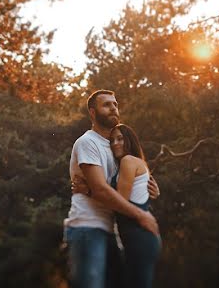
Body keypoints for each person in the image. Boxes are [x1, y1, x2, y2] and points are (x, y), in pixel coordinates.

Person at [64, 90, 159, 288]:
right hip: (87, 226)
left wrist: (150, 190)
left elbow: (125, 188)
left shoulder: (117, 150)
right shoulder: (87, 142)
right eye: (106, 104)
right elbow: (100, 190)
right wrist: (141, 216)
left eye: (115, 104)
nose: (113, 108)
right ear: (92, 112)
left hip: (109, 229)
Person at [109, 123, 161, 288]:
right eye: (112, 140)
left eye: (120, 139)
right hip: (137, 238)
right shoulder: (133, 163)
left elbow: (120, 201)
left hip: (139, 237)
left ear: (130, 140)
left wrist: (90, 190)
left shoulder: (128, 160)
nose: (115, 143)